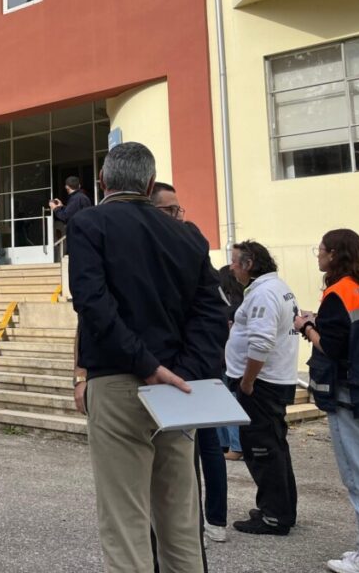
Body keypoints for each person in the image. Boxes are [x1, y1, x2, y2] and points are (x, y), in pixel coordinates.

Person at [70, 142, 226, 573]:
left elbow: (94, 304)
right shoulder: (188, 235)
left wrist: (145, 365)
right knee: (179, 523)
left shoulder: (89, 224)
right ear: (150, 184)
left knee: (125, 523)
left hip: (119, 384)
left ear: (102, 182)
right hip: (178, 388)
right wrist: (181, 371)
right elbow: (212, 313)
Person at [151, 181, 229, 546]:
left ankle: (212, 519)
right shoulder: (142, 248)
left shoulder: (188, 243)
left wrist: (191, 368)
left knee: (204, 449)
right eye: (170, 210)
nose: (178, 217)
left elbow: (211, 311)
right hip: (164, 375)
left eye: (179, 210)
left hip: (192, 372)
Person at [294, 229, 359, 573]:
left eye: (320, 250)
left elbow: (333, 347)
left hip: (347, 395)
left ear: (334, 254)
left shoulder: (339, 293)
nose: (318, 256)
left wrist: (306, 327)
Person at [225, 240, 300, 536]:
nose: (231, 267)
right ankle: (281, 508)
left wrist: (247, 381)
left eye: (234, 261)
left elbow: (261, 341)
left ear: (249, 263)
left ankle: (274, 516)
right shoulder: (273, 288)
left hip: (261, 385)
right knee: (275, 447)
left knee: (263, 450)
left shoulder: (264, 294)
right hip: (271, 381)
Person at [216, 265, 246, 462]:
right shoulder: (243, 303)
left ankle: (232, 445)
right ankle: (232, 445)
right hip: (238, 360)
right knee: (233, 401)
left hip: (223, 359)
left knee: (222, 403)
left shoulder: (223, 307)